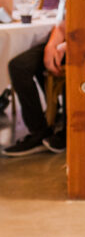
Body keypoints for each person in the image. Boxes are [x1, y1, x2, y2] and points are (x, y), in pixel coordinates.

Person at [2, 20, 66, 156]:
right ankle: (39, 131)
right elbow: (63, 22)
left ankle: (67, 133)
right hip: (63, 40)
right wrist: (51, 46)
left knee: (75, 65)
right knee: (19, 66)